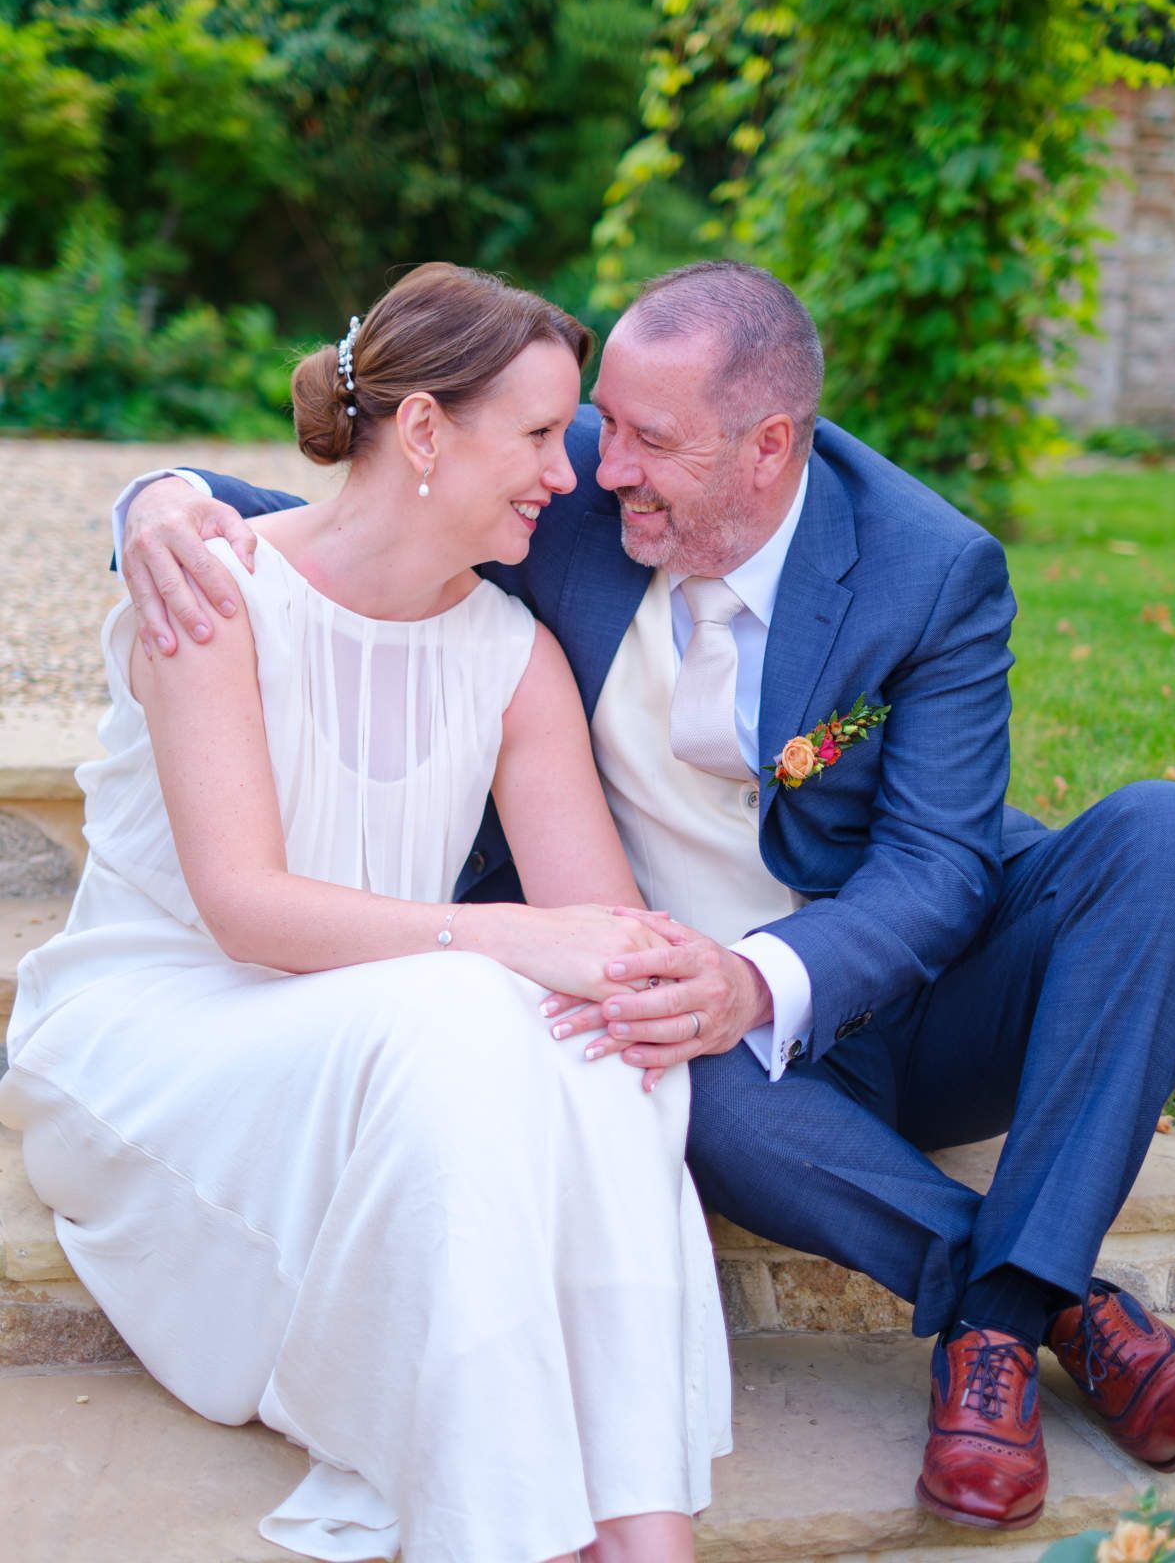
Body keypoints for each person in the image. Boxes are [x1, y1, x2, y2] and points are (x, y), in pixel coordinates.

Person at [118, 258, 1175, 1536]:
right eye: (600, 425)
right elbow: (351, 509)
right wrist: (157, 497)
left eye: (647, 439)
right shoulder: (568, 482)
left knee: (1167, 834)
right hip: (700, 1020)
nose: (599, 463)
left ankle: (1007, 1306)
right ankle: (1029, 1313)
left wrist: (758, 978)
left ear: (769, 448)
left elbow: (940, 870)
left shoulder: (930, 570)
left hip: (910, 979)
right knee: (649, 1054)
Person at [0, 262, 733, 1563]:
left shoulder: (512, 656)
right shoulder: (215, 593)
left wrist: (665, 974)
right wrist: (509, 941)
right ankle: (503, 1527)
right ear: (425, 430)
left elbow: (604, 939)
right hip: (167, 1032)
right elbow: (241, 909)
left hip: (387, 1033)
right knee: (468, 1006)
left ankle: (641, 1524)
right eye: (536, 437)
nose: (564, 478)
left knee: (606, 1055)